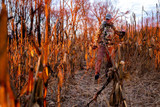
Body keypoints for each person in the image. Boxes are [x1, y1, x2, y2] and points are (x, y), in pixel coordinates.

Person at [94, 13, 124, 80]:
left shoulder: (113, 26)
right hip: (102, 44)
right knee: (99, 59)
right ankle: (97, 73)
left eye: (108, 19)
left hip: (110, 45)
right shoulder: (102, 25)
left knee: (110, 60)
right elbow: (97, 34)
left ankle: (108, 73)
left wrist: (121, 33)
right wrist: (95, 43)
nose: (107, 20)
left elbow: (116, 32)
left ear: (111, 19)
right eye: (106, 19)